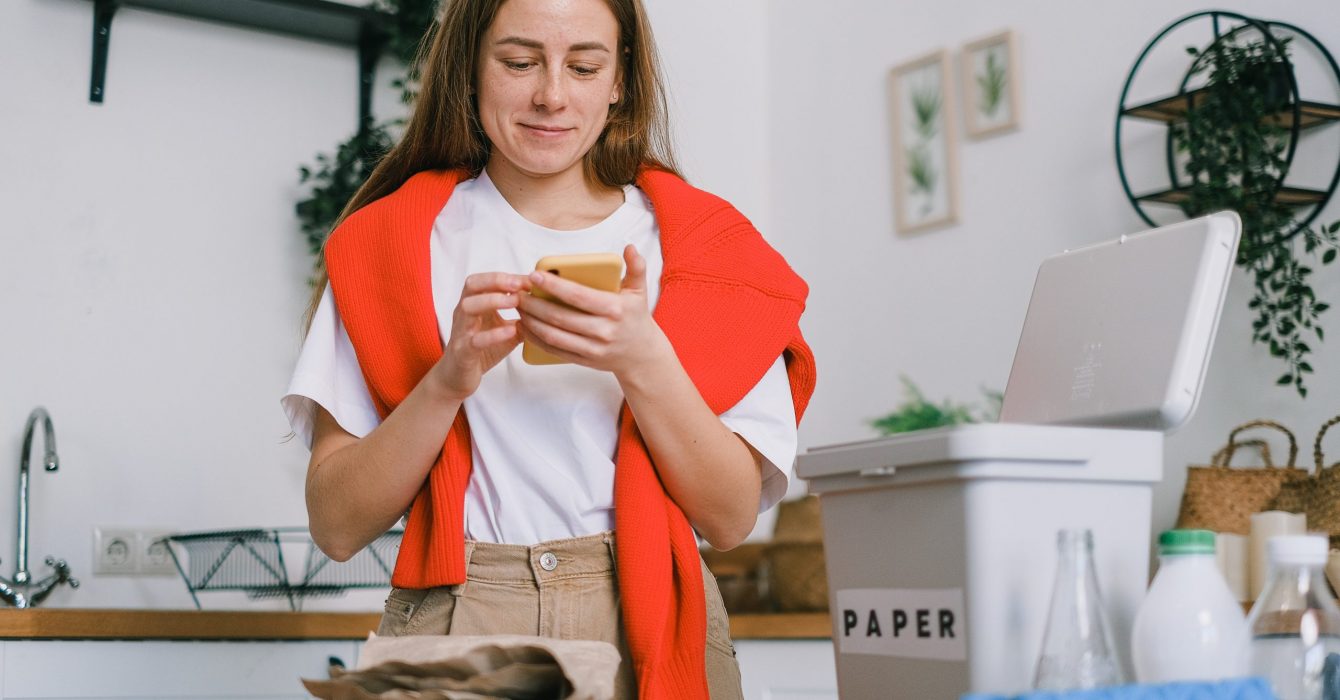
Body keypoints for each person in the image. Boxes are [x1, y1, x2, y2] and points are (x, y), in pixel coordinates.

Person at [282, 0, 816, 697]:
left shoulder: (713, 254)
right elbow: (336, 525)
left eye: (585, 65)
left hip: (646, 612)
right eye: (519, 61)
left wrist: (643, 360)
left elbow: (729, 517)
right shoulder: (389, 247)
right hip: (460, 610)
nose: (552, 95)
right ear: (470, 68)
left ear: (620, 78)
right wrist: (448, 379)